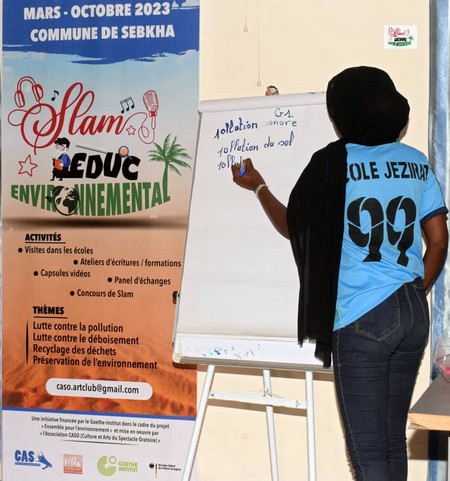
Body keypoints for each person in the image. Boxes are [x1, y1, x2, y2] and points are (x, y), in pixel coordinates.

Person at [231, 66, 448, 481]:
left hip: (363, 318)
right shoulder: (416, 161)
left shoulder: (333, 163)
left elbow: (293, 226)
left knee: (367, 455)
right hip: (412, 313)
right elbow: (438, 241)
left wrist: (258, 186)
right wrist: (415, 289)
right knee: (391, 441)